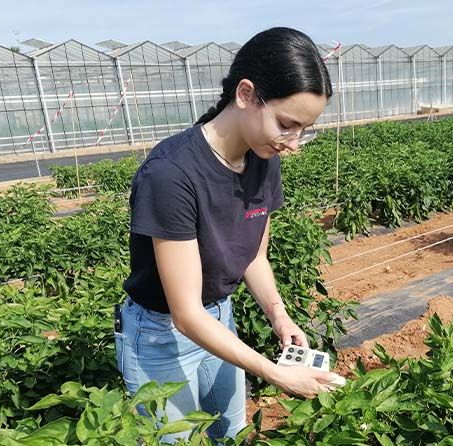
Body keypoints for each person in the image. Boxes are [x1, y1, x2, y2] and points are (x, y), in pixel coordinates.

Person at [113, 27, 337, 443]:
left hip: (220, 317)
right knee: (174, 439)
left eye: (304, 129)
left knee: (229, 432)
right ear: (247, 94)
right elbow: (186, 313)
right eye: (288, 125)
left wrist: (278, 314)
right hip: (162, 334)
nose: (295, 143)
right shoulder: (171, 175)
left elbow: (253, 255)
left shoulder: (264, 157)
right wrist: (275, 373)